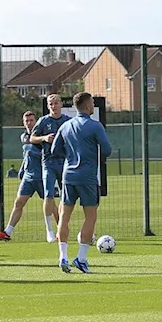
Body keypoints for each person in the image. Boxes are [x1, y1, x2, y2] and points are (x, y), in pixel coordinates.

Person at [51, 92, 112, 273]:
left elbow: (55, 149)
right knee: (90, 216)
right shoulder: (95, 126)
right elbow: (107, 150)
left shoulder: (65, 125)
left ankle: (62, 256)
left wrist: (71, 156)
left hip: (68, 176)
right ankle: (81, 258)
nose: (93, 104)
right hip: (87, 177)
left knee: (64, 217)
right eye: (92, 102)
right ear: (87, 106)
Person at [0, 111, 45, 241]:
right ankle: (7, 232)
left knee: (50, 205)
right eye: (26, 121)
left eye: (31, 120)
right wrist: (22, 169)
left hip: (41, 176)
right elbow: (26, 155)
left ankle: (61, 231)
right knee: (19, 202)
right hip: (28, 177)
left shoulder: (40, 137)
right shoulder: (23, 137)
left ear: (36, 121)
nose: (29, 123)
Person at [30, 94, 69, 243]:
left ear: (61, 104)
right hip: (48, 163)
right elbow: (32, 138)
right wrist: (44, 138)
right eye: (51, 104)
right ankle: (49, 230)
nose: (54, 106)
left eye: (56, 103)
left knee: (66, 197)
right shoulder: (43, 121)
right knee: (48, 195)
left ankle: (62, 227)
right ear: (48, 106)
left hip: (64, 162)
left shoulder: (67, 121)